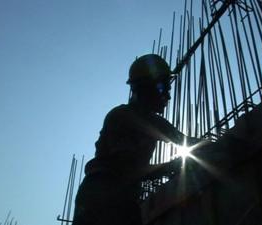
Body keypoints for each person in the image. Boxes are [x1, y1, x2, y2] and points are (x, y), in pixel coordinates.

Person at [72, 54, 199, 225]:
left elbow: (184, 140)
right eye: (164, 90)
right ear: (146, 88)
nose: (168, 97)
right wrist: (170, 167)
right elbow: (128, 170)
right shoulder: (122, 117)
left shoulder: (151, 121)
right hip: (102, 195)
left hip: (122, 196)